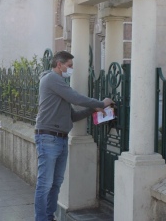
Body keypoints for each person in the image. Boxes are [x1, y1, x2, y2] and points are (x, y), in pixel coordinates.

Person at [34, 51, 114, 221]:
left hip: (60, 138)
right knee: (45, 184)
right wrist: (101, 103)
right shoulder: (52, 79)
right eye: (69, 66)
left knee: (56, 183)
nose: (71, 69)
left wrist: (93, 109)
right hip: (48, 137)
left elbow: (73, 116)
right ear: (59, 65)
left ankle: (49, 217)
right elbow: (75, 98)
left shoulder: (59, 86)